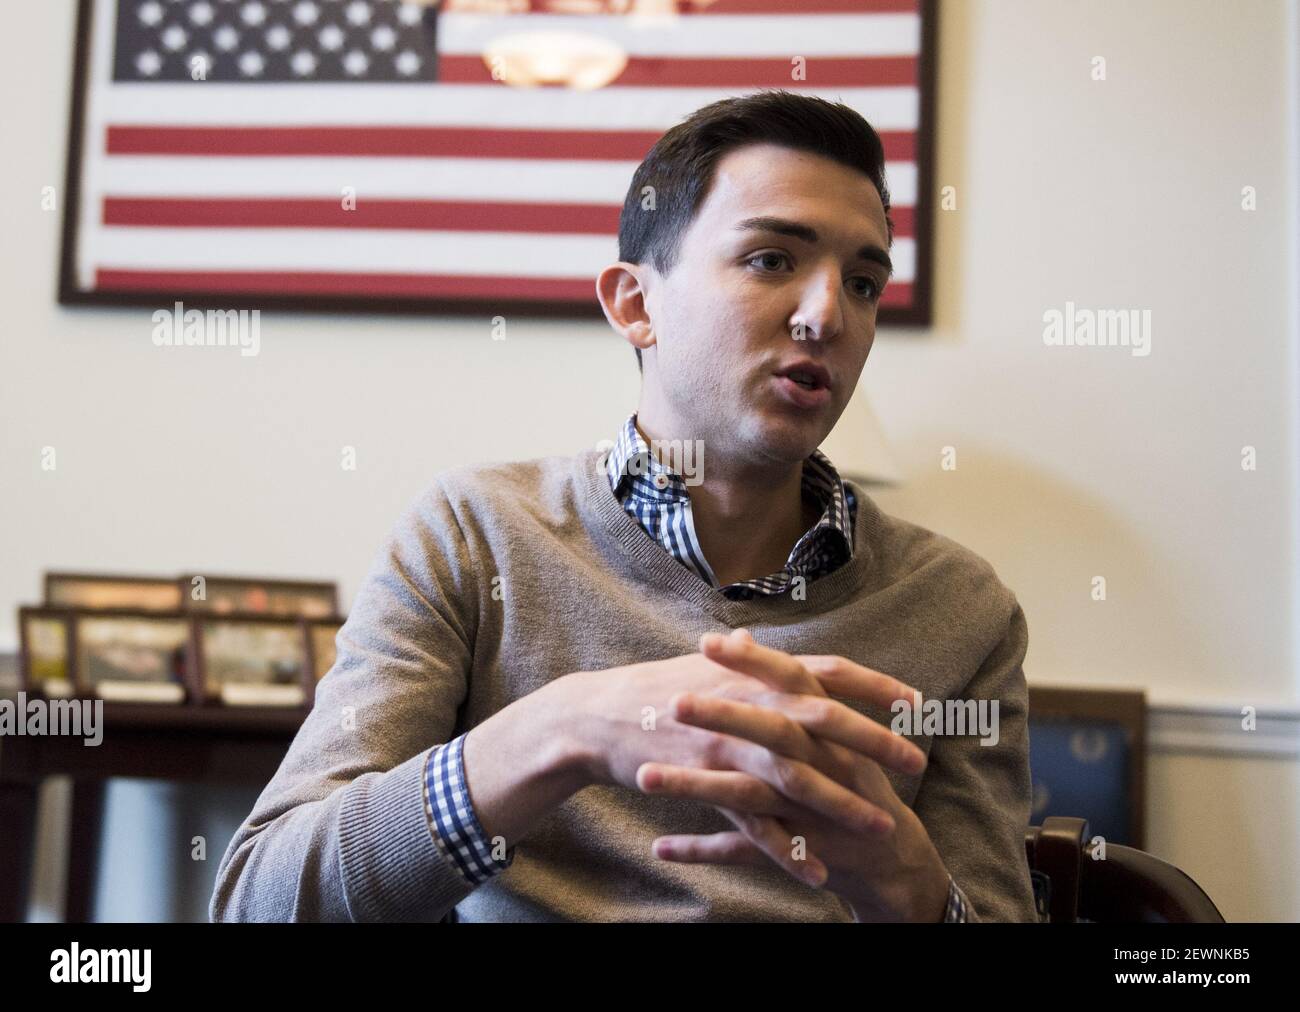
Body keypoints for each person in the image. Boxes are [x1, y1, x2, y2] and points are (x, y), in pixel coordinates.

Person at [210, 90, 1038, 923]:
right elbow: (261, 902)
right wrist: (564, 729)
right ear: (636, 305)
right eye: (772, 260)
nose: (828, 314)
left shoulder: (961, 607)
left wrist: (913, 893)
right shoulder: (473, 535)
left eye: (863, 282)